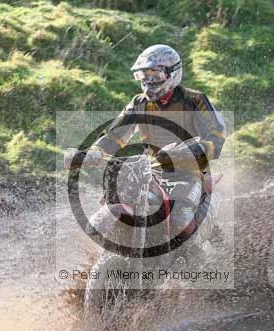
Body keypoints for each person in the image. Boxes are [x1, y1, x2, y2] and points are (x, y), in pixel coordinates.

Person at [78, 44, 227, 243]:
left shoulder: (194, 100)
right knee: (116, 199)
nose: (149, 81)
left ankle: (198, 253)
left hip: (189, 172)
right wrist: (94, 151)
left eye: (155, 75)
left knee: (181, 219)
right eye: (144, 75)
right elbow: (115, 136)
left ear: (172, 73)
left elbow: (217, 133)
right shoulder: (139, 103)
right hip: (151, 171)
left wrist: (197, 149)